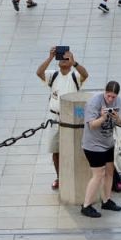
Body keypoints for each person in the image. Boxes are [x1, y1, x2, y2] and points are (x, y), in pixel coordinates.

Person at [38, 46, 88, 189]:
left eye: (67, 58)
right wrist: (49, 57)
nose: (64, 60)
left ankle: (76, 176)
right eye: (62, 57)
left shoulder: (74, 76)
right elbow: (39, 72)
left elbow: (85, 74)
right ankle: (60, 177)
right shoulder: (53, 75)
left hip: (72, 117)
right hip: (55, 117)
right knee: (55, 149)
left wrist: (75, 63)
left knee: (74, 148)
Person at [79, 81, 121, 218]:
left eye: (113, 97)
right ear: (105, 92)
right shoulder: (94, 102)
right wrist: (103, 117)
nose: (110, 99)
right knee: (98, 174)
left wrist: (116, 117)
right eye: (108, 96)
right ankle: (86, 205)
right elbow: (91, 125)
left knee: (110, 171)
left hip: (108, 143)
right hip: (93, 145)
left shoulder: (118, 101)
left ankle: (106, 200)